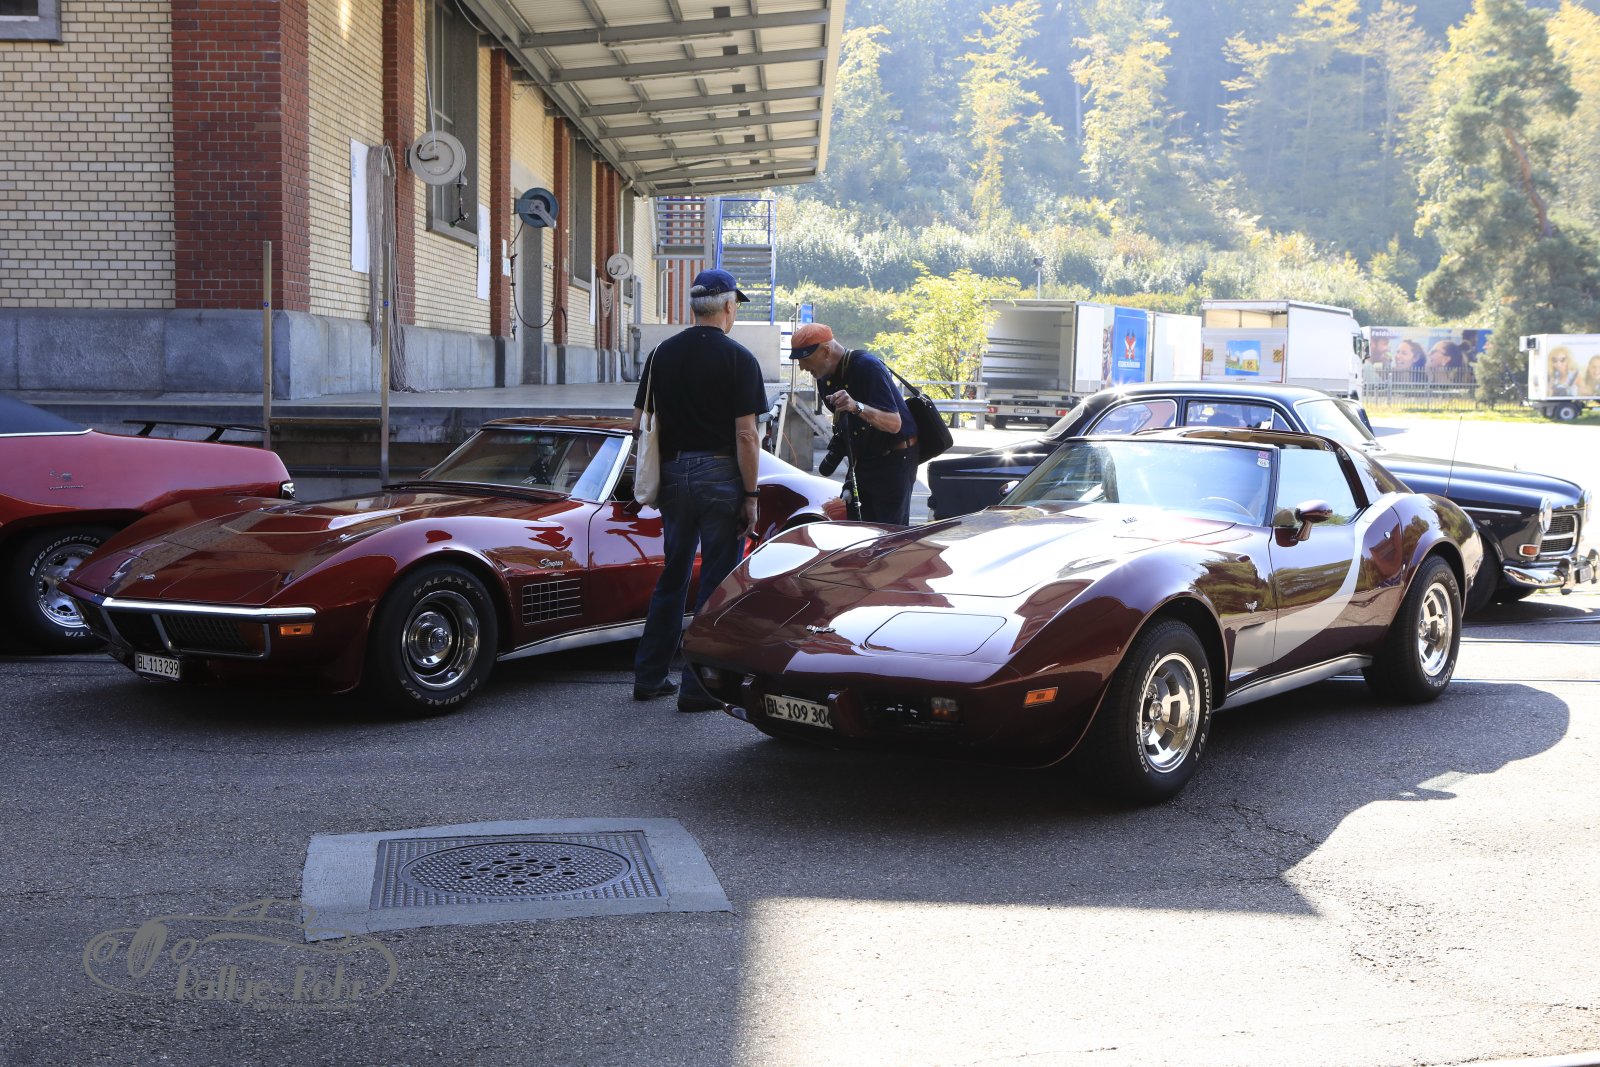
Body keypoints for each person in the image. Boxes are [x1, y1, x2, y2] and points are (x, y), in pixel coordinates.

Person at [631, 267, 768, 712]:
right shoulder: (739, 359)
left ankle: (649, 677)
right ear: (728, 306)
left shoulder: (661, 355)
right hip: (720, 476)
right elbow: (746, 435)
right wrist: (751, 495)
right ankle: (697, 689)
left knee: (673, 575)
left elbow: (638, 422)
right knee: (715, 581)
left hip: (673, 474)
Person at [788, 323, 917, 525]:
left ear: (826, 351)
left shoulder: (867, 367)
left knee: (887, 534)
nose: (802, 367)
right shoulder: (824, 377)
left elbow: (894, 424)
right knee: (859, 529)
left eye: (805, 359)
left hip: (893, 459)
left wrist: (856, 407)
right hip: (862, 459)